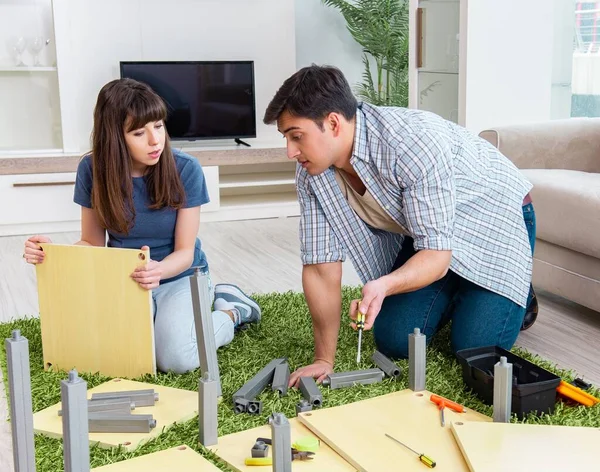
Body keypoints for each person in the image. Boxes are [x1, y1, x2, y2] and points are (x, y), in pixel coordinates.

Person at [263, 65, 538, 386]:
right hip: (428, 233)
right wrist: (324, 359)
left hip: (494, 220)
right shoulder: (312, 173)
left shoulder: (412, 142)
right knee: (394, 339)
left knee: (474, 349)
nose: (289, 152)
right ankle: (456, 286)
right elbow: (321, 268)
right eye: (287, 138)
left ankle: (515, 289)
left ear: (333, 123)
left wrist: (385, 285)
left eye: (297, 136)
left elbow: (435, 255)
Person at [23, 78, 261, 374]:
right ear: (114, 137)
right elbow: (93, 244)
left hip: (180, 275)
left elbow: (185, 252)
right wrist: (52, 252)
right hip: (125, 276)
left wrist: (158, 270)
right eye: (139, 132)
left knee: (175, 359)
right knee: (121, 353)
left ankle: (230, 310)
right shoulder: (92, 170)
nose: (155, 140)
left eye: (159, 126)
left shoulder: (185, 169)